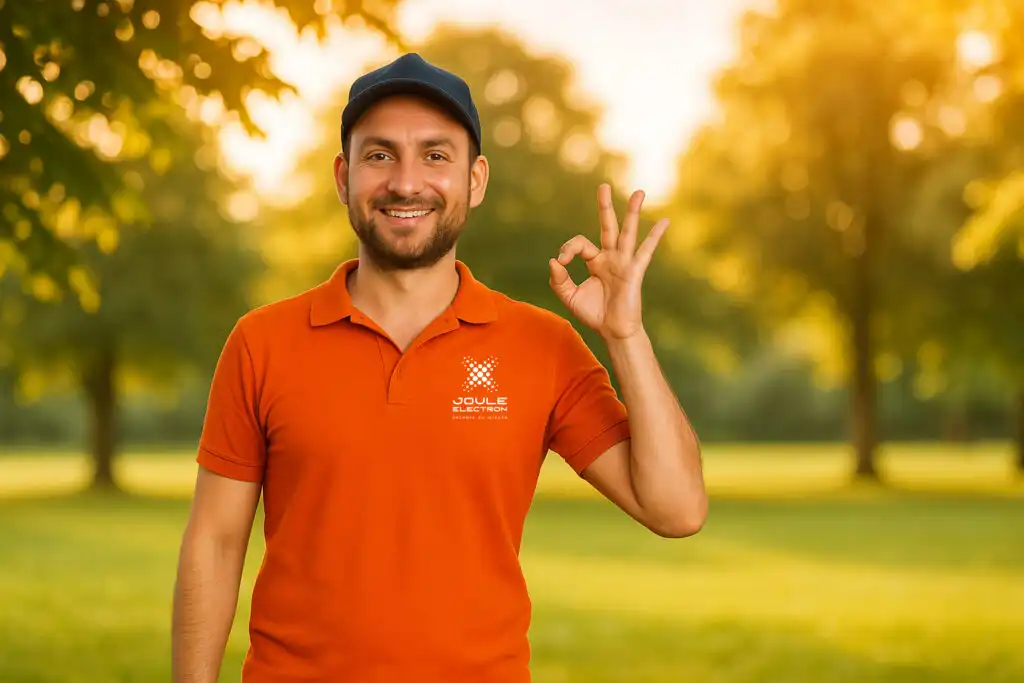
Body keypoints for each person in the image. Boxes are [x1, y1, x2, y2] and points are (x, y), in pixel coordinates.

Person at [171, 52, 706, 683]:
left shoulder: (543, 346)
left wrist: (627, 336)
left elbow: (676, 511)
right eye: (379, 155)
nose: (405, 182)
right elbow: (214, 543)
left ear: (476, 179)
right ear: (343, 177)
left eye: (435, 155)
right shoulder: (261, 342)